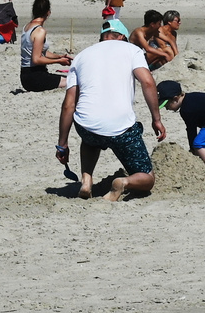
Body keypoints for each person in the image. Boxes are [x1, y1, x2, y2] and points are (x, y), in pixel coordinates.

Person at [56, 17, 166, 200]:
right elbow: (147, 82)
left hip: (86, 126)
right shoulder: (132, 50)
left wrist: (62, 144)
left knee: (91, 138)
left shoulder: (82, 56)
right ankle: (122, 183)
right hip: (120, 128)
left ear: (102, 38)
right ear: (122, 37)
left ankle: (86, 179)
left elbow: (69, 105)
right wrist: (156, 119)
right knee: (147, 179)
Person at [156, 79, 205, 173]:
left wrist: (192, 149)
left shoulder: (186, 110)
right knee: (197, 144)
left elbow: (191, 129)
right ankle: (202, 162)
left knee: (199, 144)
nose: (167, 109)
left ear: (175, 99)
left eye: (167, 105)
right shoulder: (189, 99)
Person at [18, 0, 72, 92]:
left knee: (66, 78)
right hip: (35, 76)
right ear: (48, 12)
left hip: (25, 76)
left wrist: (59, 56)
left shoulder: (27, 27)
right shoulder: (39, 31)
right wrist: (58, 62)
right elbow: (36, 59)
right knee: (72, 81)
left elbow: (41, 52)